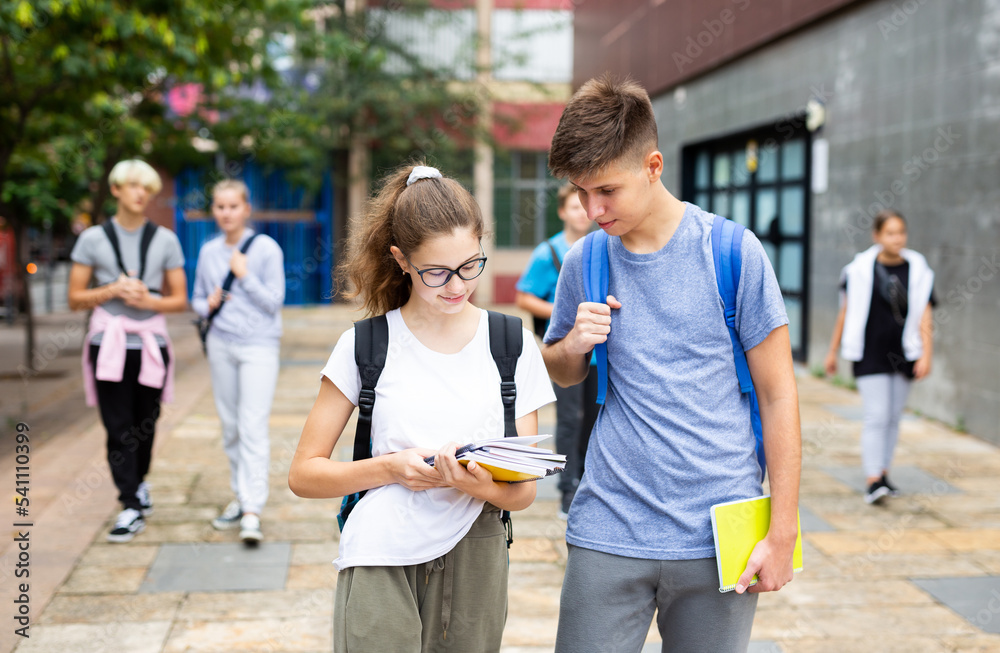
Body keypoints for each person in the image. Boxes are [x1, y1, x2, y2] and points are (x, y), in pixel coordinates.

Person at [541, 75, 802, 652]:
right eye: (581, 192)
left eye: (606, 190)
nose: (591, 209)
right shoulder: (585, 259)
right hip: (608, 525)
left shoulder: (732, 253)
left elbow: (779, 394)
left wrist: (782, 531)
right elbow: (559, 368)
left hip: (720, 532)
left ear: (653, 166)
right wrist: (574, 343)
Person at [288, 163, 555, 652]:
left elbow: (522, 494)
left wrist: (473, 483)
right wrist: (391, 468)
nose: (456, 286)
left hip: (477, 549)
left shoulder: (511, 344)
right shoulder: (365, 345)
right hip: (380, 552)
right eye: (437, 272)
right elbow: (304, 475)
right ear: (402, 260)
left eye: (470, 265)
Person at [68, 159, 188, 543]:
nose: (140, 193)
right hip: (109, 343)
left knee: (146, 422)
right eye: (133, 185)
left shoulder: (165, 239)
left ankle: (139, 482)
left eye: (147, 188)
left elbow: (179, 299)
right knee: (117, 425)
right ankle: (129, 503)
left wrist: (148, 300)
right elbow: (74, 298)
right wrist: (112, 290)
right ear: (116, 189)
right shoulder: (93, 239)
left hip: (150, 343)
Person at [192, 179, 285, 544]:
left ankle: (252, 510)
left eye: (233, 206)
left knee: (252, 424)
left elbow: (274, 301)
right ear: (213, 211)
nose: (226, 213)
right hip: (221, 344)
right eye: (220, 207)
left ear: (246, 209)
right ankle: (241, 495)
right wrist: (207, 304)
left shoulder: (266, 249)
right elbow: (197, 300)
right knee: (230, 426)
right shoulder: (208, 252)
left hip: (259, 346)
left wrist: (244, 276)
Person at [824, 209, 934, 504]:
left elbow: (926, 314)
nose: (897, 238)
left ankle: (884, 474)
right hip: (869, 353)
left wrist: (926, 354)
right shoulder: (859, 270)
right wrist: (832, 351)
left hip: (906, 352)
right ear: (877, 236)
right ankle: (873, 480)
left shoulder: (919, 269)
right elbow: (845, 311)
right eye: (890, 233)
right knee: (877, 415)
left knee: (894, 417)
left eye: (901, 232)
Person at [515, 183, 597, 518]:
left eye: (584, 207)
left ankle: (589, 484)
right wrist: (565, 312)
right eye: (574, 207)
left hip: (599, 352)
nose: (582, 213)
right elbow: (524, 297)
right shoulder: (547, 252)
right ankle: (567, 489)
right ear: (563, 212)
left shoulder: (602, 246)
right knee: (569, 419)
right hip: (565, 350)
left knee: (594, 419)